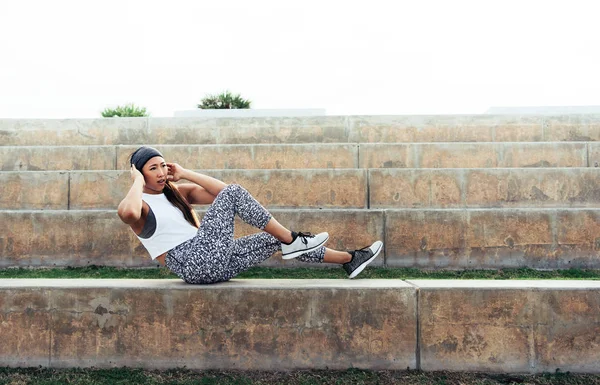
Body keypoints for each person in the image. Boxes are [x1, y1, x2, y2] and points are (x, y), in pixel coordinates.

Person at [117, 146, 383, 284]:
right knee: (242, 200)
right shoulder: (139, 206)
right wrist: (137, 181)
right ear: (141, 173)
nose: (162, 172)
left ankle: (350, 259)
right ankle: (292, 238)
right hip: (193, 263)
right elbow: (126, 213)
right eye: (153, 168)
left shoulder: (177, 194)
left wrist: (185, 173)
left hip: (215, 264)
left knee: (272, 240)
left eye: (164, 165)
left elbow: (222, 192)